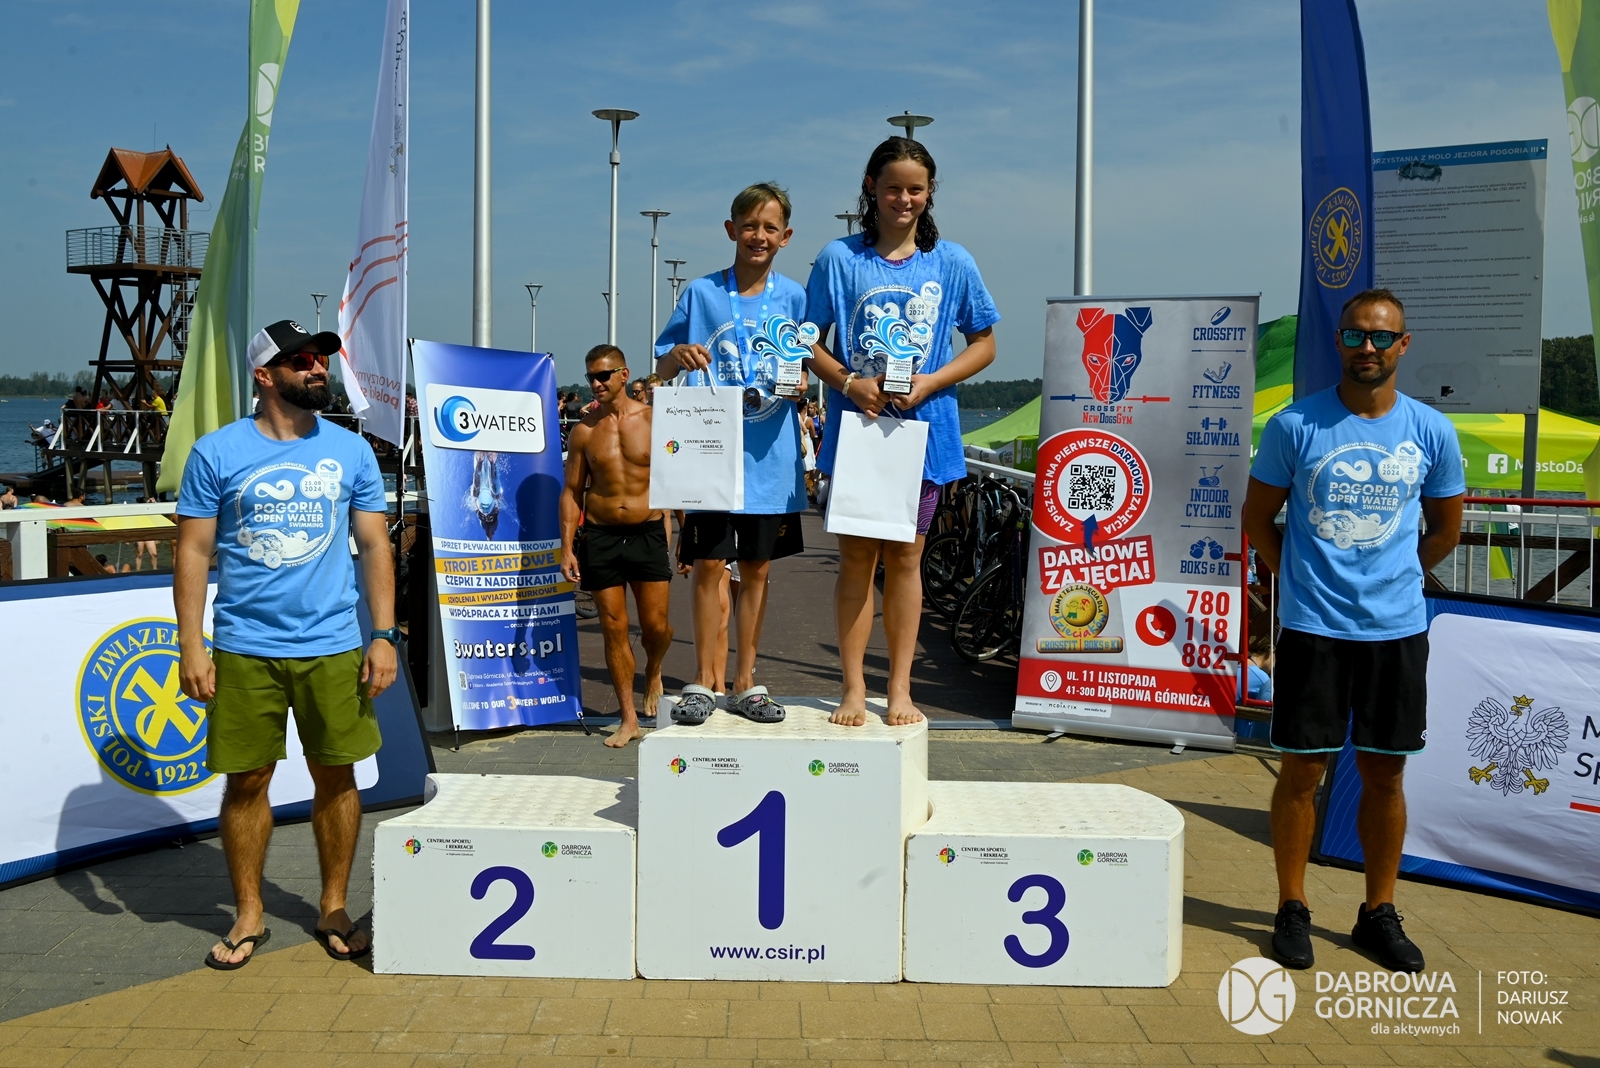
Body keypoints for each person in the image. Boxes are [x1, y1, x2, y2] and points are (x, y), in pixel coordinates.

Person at [1242, 288, 1463, 974]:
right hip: (1315, 628)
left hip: (1396, 630)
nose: (1367, 347)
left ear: (1403, 344)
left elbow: (1446, 530)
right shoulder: (1294, 425)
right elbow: (1257, 519)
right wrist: (1298, 584)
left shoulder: (1432, 431)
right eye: (1354, 335)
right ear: (1338, 341)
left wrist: (1395, 577)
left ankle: (1378, 912)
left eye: (1381, 336)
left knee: (1385, 775)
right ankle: (1292, 906)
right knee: (1302, 771)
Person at [174, 318, 397, 970]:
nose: (317, 368)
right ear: (264, 375)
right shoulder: (216, 453)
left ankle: (333, 905)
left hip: (333, 642)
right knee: (248, 780)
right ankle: (249, 913)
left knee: (337, 775)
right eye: (300, 360)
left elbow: (375, 545)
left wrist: (383, 636)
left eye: (321, 358)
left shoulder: (350, 451)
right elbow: (193, 551)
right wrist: (192, 646)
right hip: (245, 645)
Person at [803, 137, 998, 726]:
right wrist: (848, 382)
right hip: (859, 434)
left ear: (930, 192)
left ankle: (901, 689)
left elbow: (984, 343)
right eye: (893, 187)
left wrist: (931, 381)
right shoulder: (839, 258)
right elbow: (805, 340)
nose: (904, 199)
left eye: (916, 189)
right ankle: (853, 688)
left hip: (924, 439)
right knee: (857, 561)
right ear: (871, 187)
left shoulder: (953, 262)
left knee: (908, 561)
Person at [654, 182, 810, 725]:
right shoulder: (701, 293)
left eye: (770, 228)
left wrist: (801, 385)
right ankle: (703, 679)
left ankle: (745, 682)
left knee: (757, 570)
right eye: (749, 226)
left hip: (769, 461)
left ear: (786, 236)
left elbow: (803, 364)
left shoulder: (794, 297)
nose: (758, 236)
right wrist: (678, 354)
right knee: (707, 566)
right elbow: (662, 365)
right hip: (709, 456)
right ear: (730, 230)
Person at [560, 344, 673, 748]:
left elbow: (678, 479)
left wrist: (686, 533)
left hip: (647, 532)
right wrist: (567, 547)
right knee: (613, 627)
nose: (596, 383)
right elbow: (572, 492)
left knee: (656, 627)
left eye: (603, 375)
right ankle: (628, 718)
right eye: (591, 376)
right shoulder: (584, 431)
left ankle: (654, 668)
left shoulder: (655, 421)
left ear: (624, 375)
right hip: (602, 536)